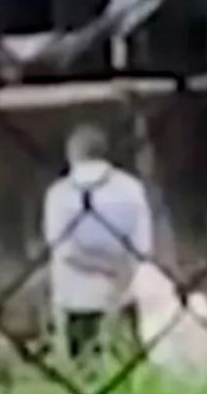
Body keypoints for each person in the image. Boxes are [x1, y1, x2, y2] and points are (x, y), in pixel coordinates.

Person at [43, 125, 154, 363]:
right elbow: (143, 245)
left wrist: (100, 266)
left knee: (85, 368)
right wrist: (120, 270)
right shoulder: (131, 187)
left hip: (78, 299)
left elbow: (63, 250)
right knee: (128, 366)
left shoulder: (59, 194)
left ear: (72, 153)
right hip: (124, 293)